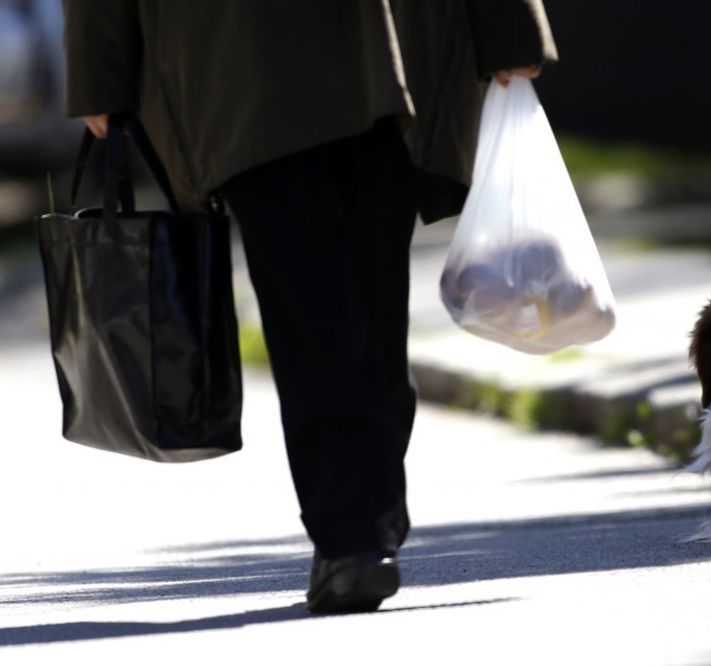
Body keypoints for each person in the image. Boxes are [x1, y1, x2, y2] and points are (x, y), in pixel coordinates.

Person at [61, 0, 557, 614]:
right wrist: (509, 27)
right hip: (373, 52)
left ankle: (355, 537)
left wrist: (100, 71)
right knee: (364, 301)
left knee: (320, 307)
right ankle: (361, 529)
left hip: (248, 61)